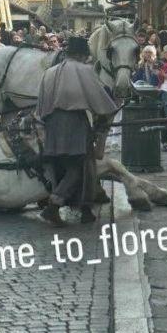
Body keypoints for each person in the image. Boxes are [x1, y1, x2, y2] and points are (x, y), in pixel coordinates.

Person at [36, 36, 118, 225]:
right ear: (82, 55)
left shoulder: (50, 72)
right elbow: (99, 100)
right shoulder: (83, 70)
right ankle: (54, 205)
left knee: (65, 166)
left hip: (52, 125)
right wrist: (106, 114)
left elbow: (40, 106)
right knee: (79, 167)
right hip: (74, 124)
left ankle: (85, 208)